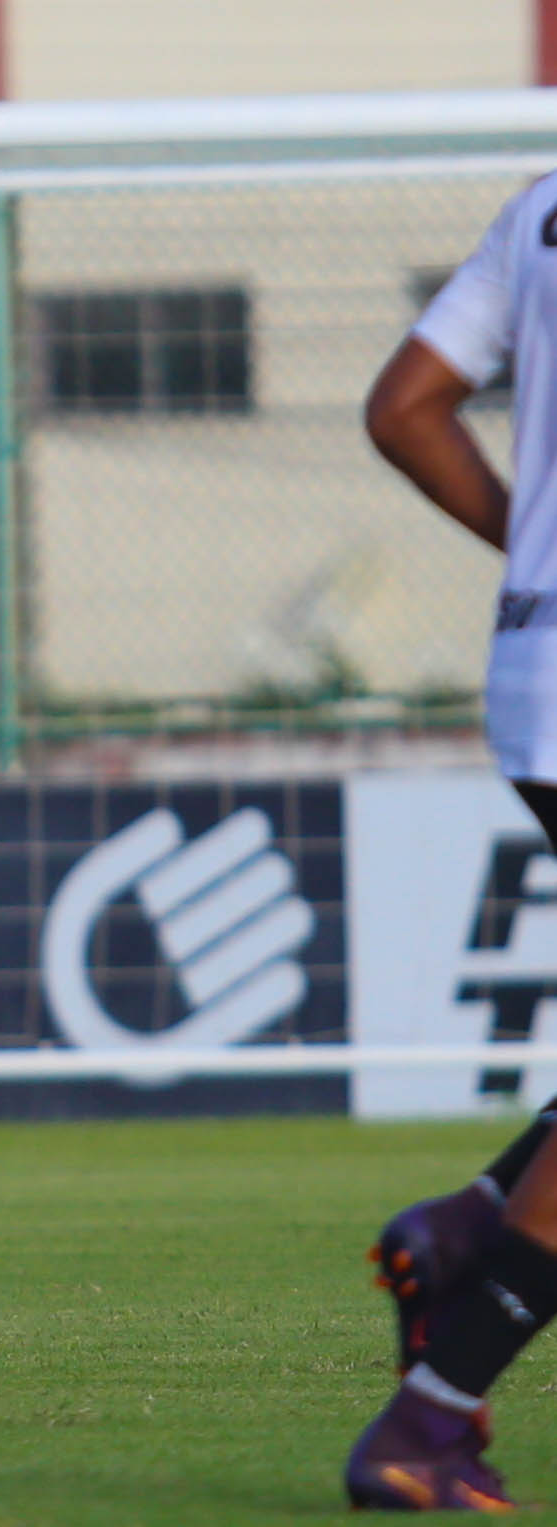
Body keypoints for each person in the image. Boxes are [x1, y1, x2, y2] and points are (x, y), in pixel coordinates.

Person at [347, 174, 557, 1511]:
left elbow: (400, 408)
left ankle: (471, 1216)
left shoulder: (537, 208)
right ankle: (429, 1414)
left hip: (533, 670)